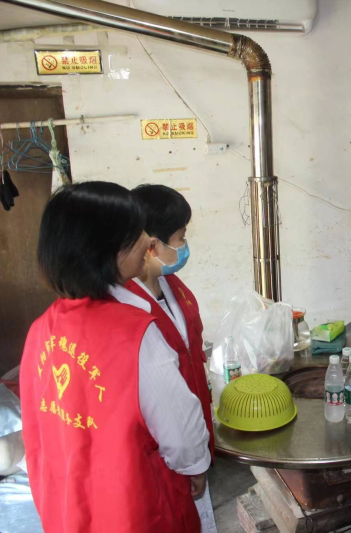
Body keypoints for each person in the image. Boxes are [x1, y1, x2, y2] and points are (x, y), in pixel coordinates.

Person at [20, 182, 210, 533]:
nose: (147, 240)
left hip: (72, 506)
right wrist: (196, 465)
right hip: (135, 506)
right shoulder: (135, 334)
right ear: (107, 249)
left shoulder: (41, 330)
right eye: (136, 233)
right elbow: (180, 429)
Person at [124, 184, 216, 532]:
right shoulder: (129, 309)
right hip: (165, 452)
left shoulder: (173, 286)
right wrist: (190, 459)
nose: (184, 246)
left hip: (191, 438)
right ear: (151, 245)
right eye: (180, 238)